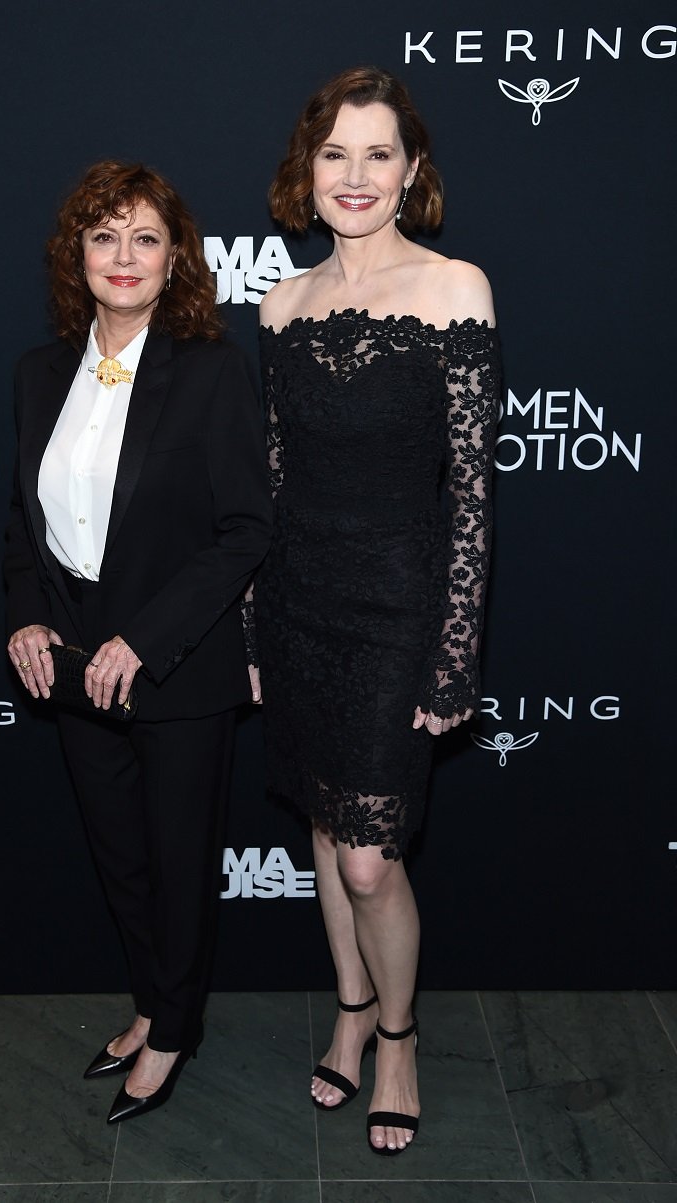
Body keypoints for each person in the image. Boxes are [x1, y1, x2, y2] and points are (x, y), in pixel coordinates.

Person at [252, 68, 500, 1155]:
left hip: (399, 609)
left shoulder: (456, 289)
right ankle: (348, 1010)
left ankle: (395, 1031)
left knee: (368, 857)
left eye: (377, 154)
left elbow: (473, 500)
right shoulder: (279, 305)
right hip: (298, 604)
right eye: (333, 154)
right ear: (306, 173)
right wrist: (256, 632)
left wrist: (453, 658)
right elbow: (267, 487)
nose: (354, 176)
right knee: (318, 828)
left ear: (411, 172)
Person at [4, 160, 271, 1125]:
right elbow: (24, 521)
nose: (124, 256)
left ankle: (174, 1032)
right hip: (73, 667)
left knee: (177, 859)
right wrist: (26, 611)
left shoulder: (209, 370)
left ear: (175, 260)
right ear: (77, 254)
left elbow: (247, 527)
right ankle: (150, 1000)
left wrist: (143, 639)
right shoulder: (40, 374)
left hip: (176, 668)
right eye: (105, 235)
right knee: (118, 857)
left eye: (146, 237)